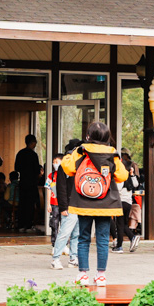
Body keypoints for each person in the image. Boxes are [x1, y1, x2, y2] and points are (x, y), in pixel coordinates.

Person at [59, 121, 128, 288]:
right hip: (106, 203)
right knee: (103, 239)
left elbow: (67, 167)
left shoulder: (81, 151)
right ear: (107, 137)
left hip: (83, 202)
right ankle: (101, 276)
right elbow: (122, 176)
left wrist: (73, 152)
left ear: (88, 136)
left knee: (83, 238)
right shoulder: (113, 154)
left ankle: (82, 274)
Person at [49, 141, 81, 270]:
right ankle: (55, 258)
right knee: (64, 233)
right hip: (69, 205)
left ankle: (73, 258)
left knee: (76, 234)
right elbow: (61, 187)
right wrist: (63, 207)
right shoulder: (66, 166)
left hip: (78, 205)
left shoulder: (79, 165)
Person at [112, 153, 141, 252]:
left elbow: (118, 189)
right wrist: (132, 174)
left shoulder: (122, 177)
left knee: (119, 224)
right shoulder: (130, 177)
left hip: (120, 202)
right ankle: (131, 238)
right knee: (123, 224)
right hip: (128, 203)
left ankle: (120, 246)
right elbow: (136, 184)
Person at [13, 134, 43, 232]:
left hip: (22, 182)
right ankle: (28, 226)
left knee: (22, 204)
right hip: (31, 183)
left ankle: (21, 225)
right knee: (30, 205)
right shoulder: (33, 155)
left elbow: (16, 168)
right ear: (33, 142)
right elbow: (37, 171)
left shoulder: (20, 153)